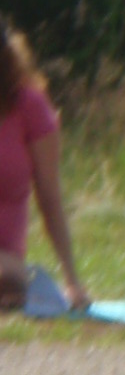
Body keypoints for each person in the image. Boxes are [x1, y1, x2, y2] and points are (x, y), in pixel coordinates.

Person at [0, 22, 90, 313]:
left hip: (5, 261)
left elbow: (50, 199)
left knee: (8, 280)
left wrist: (72, 280)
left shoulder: (29, 106)